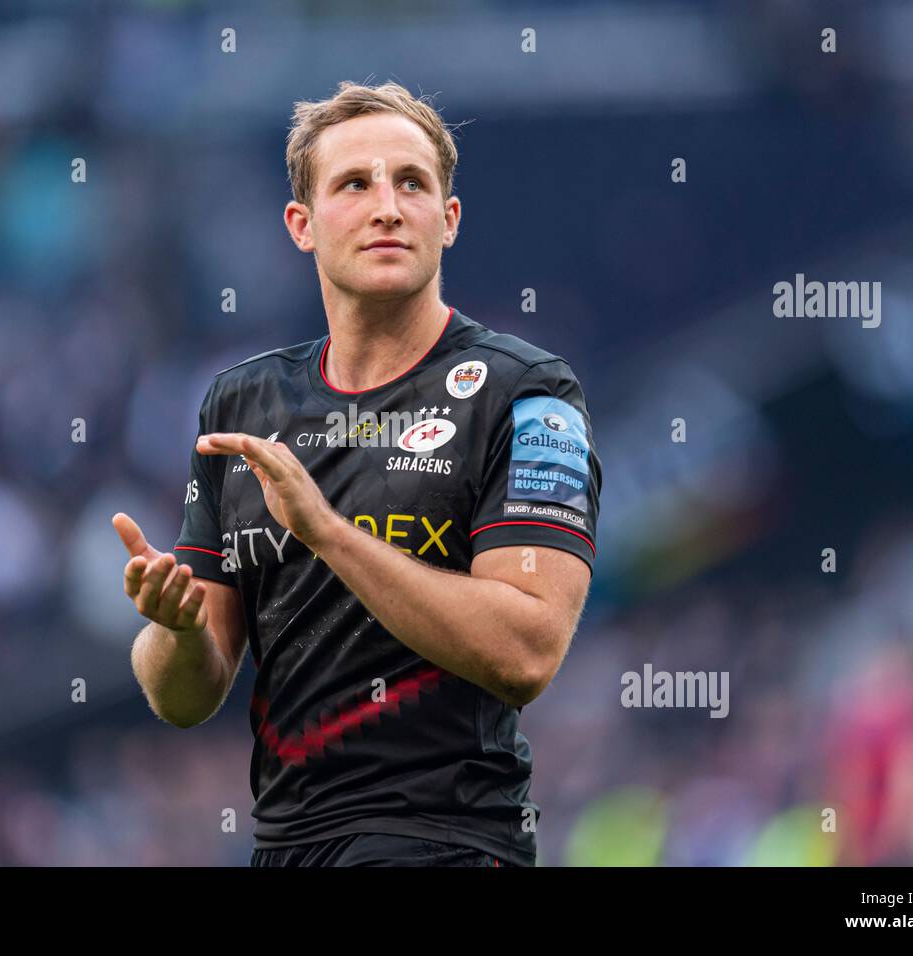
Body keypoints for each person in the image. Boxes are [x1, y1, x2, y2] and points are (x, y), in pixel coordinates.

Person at [113, 80, 602, 867]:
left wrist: (327, 533)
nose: (387, 206)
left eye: (412, 182)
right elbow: (186, 696)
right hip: (286, 847)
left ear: (448, 220)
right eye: (355, 184)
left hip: (448, 844)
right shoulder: (242, 403)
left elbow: (526, 652)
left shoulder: (530, 393)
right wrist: (172, 631)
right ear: (301, 226)